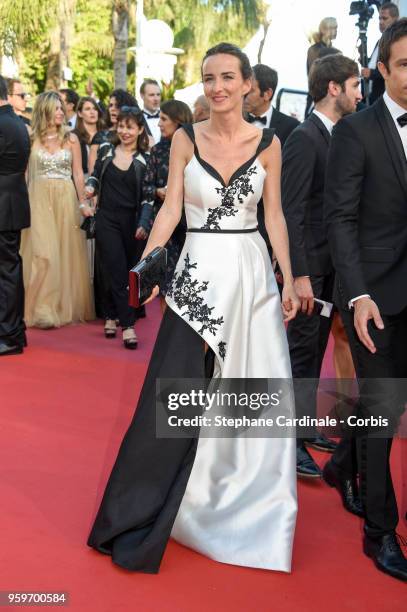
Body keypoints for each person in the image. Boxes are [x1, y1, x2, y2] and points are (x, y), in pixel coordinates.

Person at [88, 42, 300, 574]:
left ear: (248, 82)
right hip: (198, 278)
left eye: (228, 77)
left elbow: (274, 216)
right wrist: (147, 265)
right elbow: (171, 212)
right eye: (208, 78)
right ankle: (146, 509)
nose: (218, 87)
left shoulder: (271, 144)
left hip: (251, 280)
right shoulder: (184, 138)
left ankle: (244, 508)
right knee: (174, 394)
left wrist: (290, 274)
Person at [323, 19, 407, 581]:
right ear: (382, 70)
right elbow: (340, 219)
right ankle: (380, 532)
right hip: (374, 297)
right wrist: (356, 294)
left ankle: (343, 464)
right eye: (404, 64)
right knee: (383, 410)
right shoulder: (357, 131)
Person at [282, 54, 362, 480]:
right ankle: (289, 444)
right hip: (310, 272)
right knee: (301, 354)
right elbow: (290, 212)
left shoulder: (334, 135)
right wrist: (300, 277)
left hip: (328, 271)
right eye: (354, 86)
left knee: (314, 353)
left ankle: (304, 427)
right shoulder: (303, 138)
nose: (359, 93)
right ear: (333, 88)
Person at [21, 92, 94, 328]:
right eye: (56, 108)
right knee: (43, 254)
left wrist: (83, 202)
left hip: (65, 200)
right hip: (38, 199)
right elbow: (23, 174)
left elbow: (78, 173)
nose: (61, 112)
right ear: (44, 111)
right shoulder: (31, 138)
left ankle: (58, 307)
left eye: (62, 108)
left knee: (63, 253)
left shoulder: (71, 139)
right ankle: (40, 309)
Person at [85, 108, 150, 348]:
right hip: (106, 219)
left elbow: (148, 197)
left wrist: (144, 223)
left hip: (132, 223)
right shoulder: (106, 151)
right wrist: (90, 189)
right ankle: (128, 325)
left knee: (125, 271)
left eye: (130, 127)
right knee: (116, 268)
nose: (124, 131)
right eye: (121, 126)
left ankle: (111, 315)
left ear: (140, 130)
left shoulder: (145, 160)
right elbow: (94, 176)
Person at [244, 64, 300, 262]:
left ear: (267, 93)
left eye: (250, 90)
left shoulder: (292, 127)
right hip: (238, 220)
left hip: (272, 222)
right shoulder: (233, 123)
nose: (243, 94)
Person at [142, 99, 192, 311]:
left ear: (178, 121)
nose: (160, 124)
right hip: (166, 227)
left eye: (164, 119)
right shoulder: (158, 150)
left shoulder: (196, 148)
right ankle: (167, 338)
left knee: (188, 283)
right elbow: (146, 187)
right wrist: (158, 191)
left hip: (190, 226)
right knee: (166, 285)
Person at [0, 75, 31, 356]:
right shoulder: (17, 122)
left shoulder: (4, 123)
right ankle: (15, 331)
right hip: (13, 203)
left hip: (4, 205)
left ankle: (9, 336)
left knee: (7, 271)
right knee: (11, 268)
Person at [361, 2, 399, 105]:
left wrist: (371, 73)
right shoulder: (380, 40)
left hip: (385, 99)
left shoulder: (396, 42)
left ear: (395, 19)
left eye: (385, 18)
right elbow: (375, 63)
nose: (381, 22)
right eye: (379, 18)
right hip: (372, 98)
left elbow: (394, 70)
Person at [73, 96, 105, 175]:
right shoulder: (74, 136)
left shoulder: (106, 134)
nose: (92, 112)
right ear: (80, 113)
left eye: (95, 109)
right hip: (81, 180)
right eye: (87, 109)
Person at [140, 79, 161, 144]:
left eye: (158, 94)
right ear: (142, 96)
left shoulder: (170, 118)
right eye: (151, 95)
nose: (156, 99)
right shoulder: (137, 119)